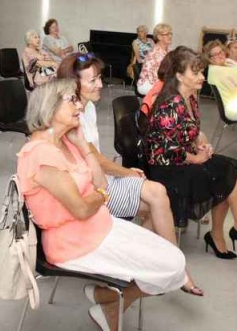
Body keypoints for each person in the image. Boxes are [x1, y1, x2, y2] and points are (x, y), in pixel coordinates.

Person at [17, 79, 199, 331]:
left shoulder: (66, 141)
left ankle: (107, 299)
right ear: (50, 107)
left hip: (100, 225)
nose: (79, 105)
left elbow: (100, 183)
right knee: (172, 267)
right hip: (73, 243)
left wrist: (83, 146)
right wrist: (101, 195)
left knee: (174, 263)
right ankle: (109, 302)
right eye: (72, 100)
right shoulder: (40, 153)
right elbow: (82, 208)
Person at [56, 53, 199, 254]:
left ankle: (154, 257)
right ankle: (162, 258)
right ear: (74, 84)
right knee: (158, 202)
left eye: (99, 78)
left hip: (99, 177)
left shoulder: (89, 108)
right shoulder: (73, 115)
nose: (100, 85)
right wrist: (128, 172)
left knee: (159, 194)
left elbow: (97, 159)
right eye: (93, 81)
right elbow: (96, 160)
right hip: (90, 186)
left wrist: (125, 172)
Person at [144, 47, 237, 260]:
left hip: (182, 160)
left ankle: (228, 231)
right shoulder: (170, 104)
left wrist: (201, 145)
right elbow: (168, 150)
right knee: (227, 174)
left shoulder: (189, 98)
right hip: (168, 170)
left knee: (229, 172)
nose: (202, 76)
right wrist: (195, 158)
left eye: (201, 71)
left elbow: (189, 134)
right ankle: (230, 232)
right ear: (179, 76)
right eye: (196, 72)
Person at [136, 23, 172, 96]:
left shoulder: (169, 50)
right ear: (159, 37)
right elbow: (153, 76)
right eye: (167, 34)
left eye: (170, 34)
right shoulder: (154, 53)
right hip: (147, 83)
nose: (170, 36)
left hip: (160, 81)